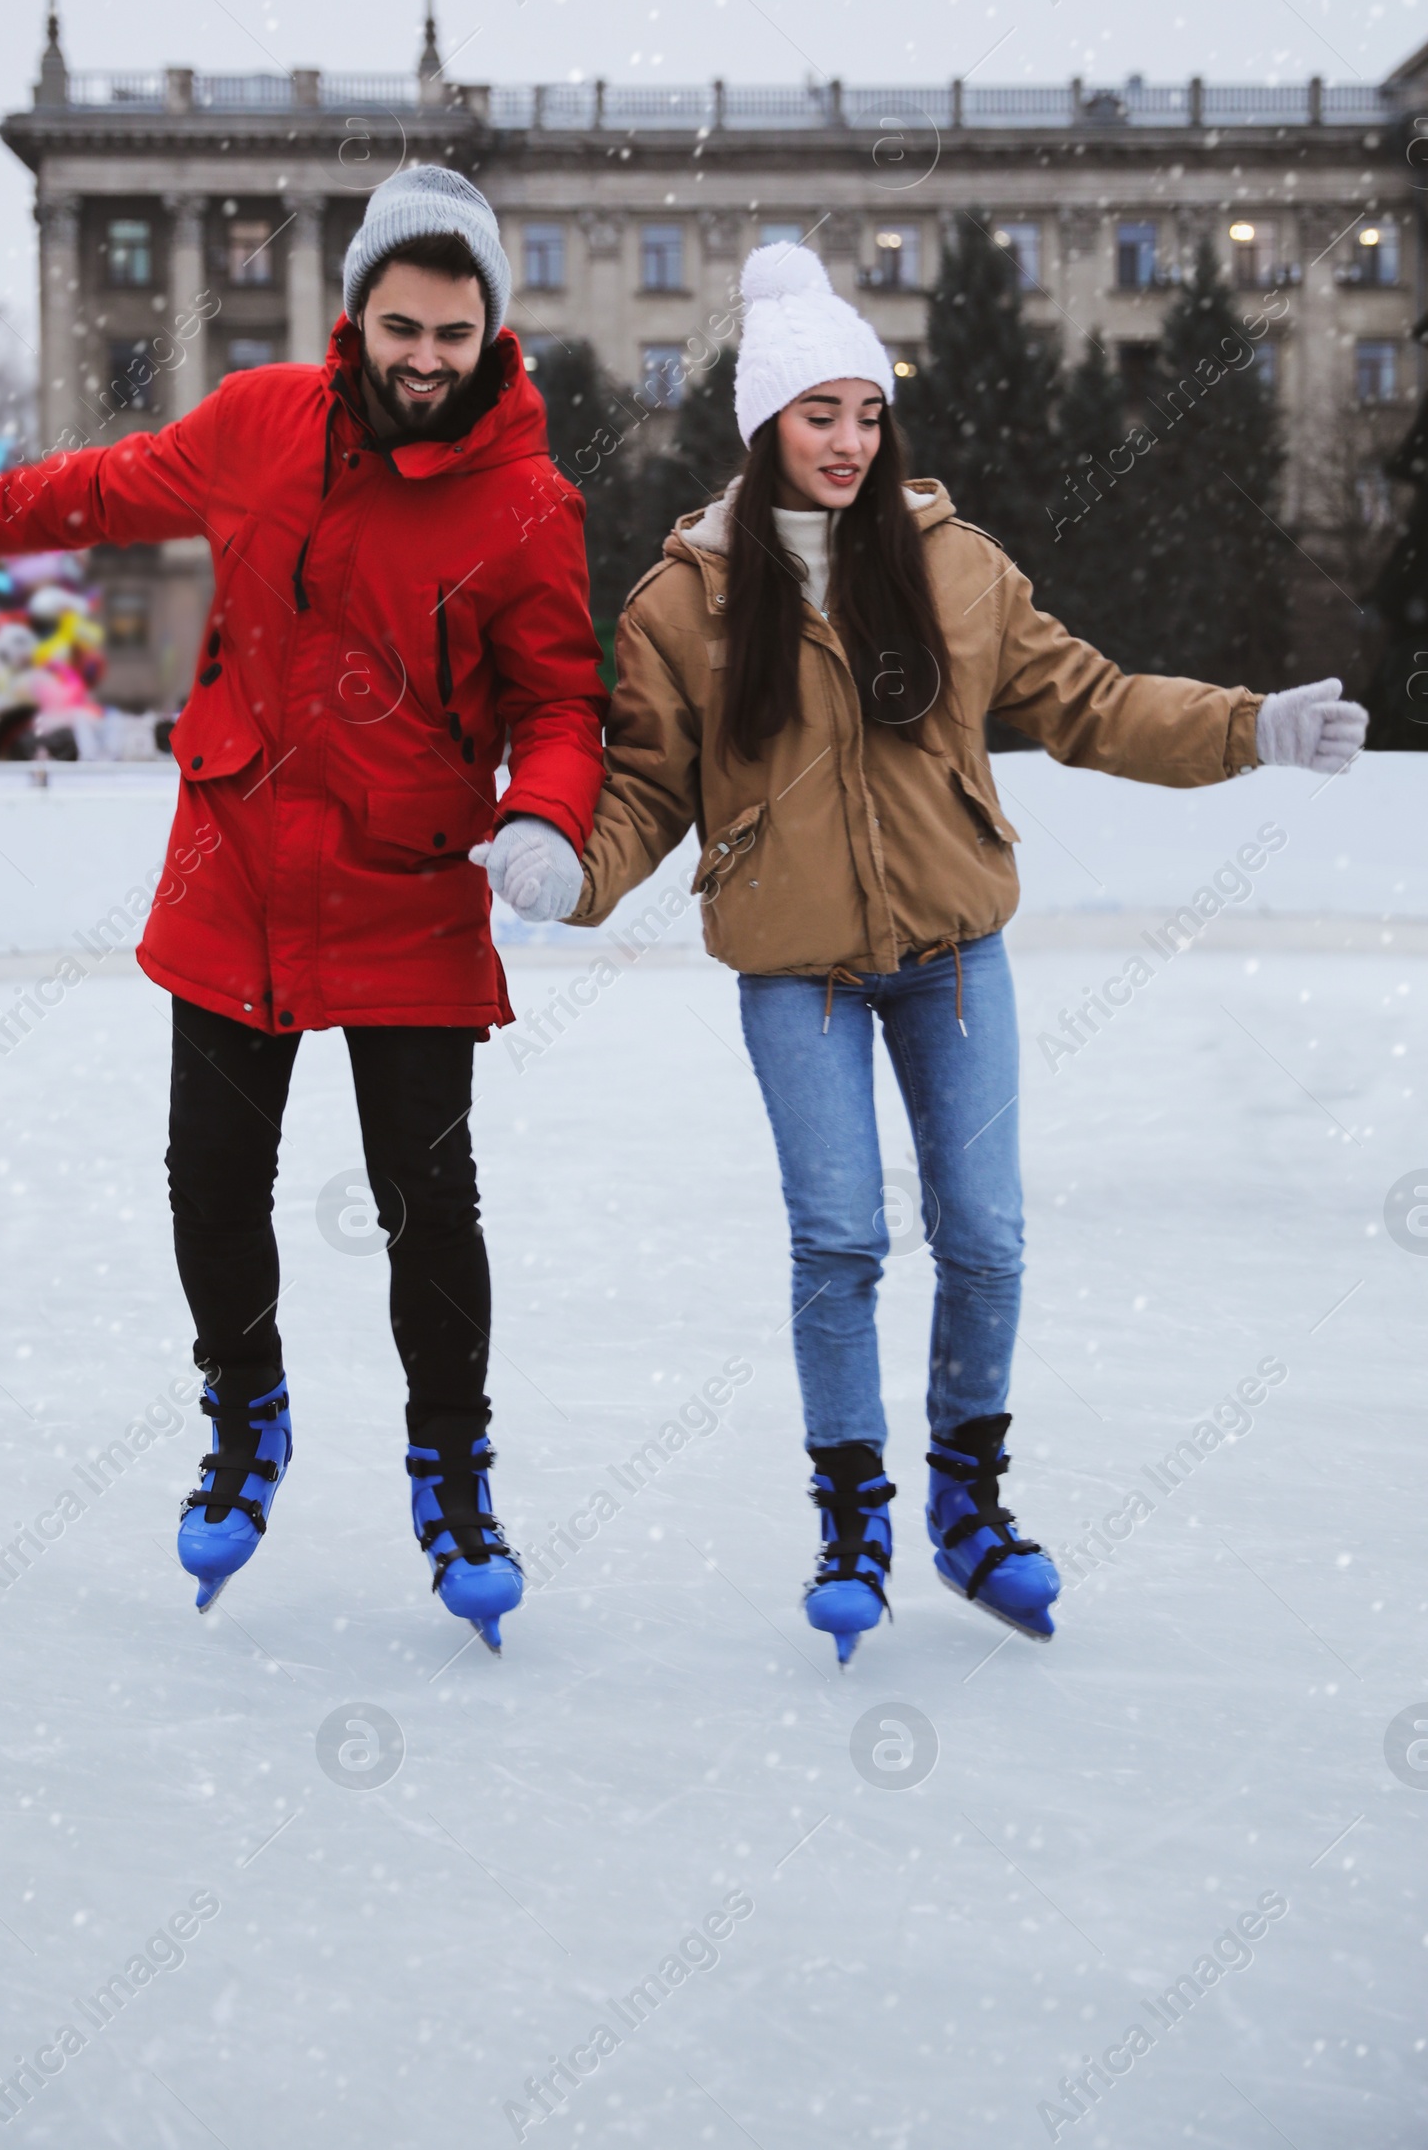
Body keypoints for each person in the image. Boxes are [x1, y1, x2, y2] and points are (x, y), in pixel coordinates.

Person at [485, 241, 1368, 1662]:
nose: (848, 440)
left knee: (989, 1237)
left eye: (867, 411)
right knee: (838, 1241)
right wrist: (562, 873)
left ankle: (969, 1506)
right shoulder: (683, 606)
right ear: (765, 424)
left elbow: (1089, 703)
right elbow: (649, 793)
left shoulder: (955, 566)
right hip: (798, 970)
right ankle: (853, 1524)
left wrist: (1249, 725)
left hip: (955, 953)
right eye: (818, 414)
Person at [0, 166, 605, 1651]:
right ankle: (245, 1414)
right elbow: (93, 486)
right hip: (238, 870)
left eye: (453, 336)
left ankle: (453, 1474)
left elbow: (564, 697)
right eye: (401, 327)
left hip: (409, 892)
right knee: (209, 1179)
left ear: (490, 338)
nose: (424, 358)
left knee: (428, 1206)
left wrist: (547, 817)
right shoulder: (261, 423)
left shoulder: (528, 504)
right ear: (356, 321)